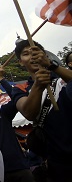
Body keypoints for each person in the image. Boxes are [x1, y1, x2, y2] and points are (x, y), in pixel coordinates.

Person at [9, 39, 72, 181]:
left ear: (44, 55)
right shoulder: (20, 89)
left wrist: (52, 66)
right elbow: (28, 112)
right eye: (26, 54)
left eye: (35, 52)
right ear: (20, 61)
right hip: (57, 160)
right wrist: (37, 86)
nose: (32, 56)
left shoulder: (62, 77)